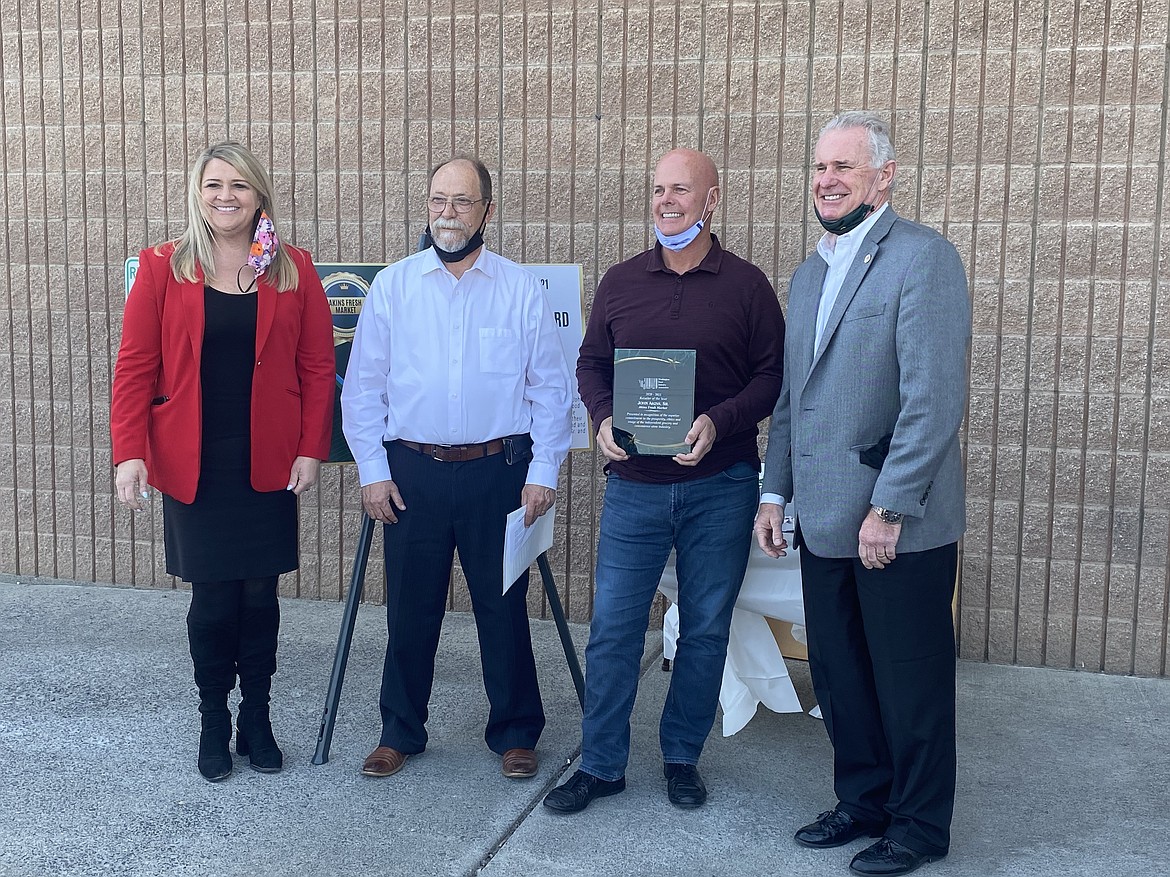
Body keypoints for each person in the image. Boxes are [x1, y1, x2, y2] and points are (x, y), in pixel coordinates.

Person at [755, 111, 972, 876]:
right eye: (819, 168)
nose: (827, 181)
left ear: (884, 176)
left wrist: (890, 505)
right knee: (842, 674)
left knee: (908, 679)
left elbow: (932, 401)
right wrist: (774, 492)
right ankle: (863, 800)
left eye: (843, 167)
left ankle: (917, 825)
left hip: (896, 526)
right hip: (822, 520)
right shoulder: (810, 272)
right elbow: (794, 398)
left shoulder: (923, 259)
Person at [544, 148, 786, 814]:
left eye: (681, 189)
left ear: (712, 200)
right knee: (614, 630)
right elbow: (592, 363)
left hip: (722, 484)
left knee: (705, 628)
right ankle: (600, 764)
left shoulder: (747, 285)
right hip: (633, 487)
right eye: (657, 189)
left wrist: (719, 418)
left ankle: (683, 755)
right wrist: (599, 415)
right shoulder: (623, 282)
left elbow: (772, 377)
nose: (666, 200)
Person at [340, 155, 572, 781]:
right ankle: (400, 731)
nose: (448, 213)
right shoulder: (393, 286)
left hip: (497, 473)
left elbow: (551, 389)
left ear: (486, 211)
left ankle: (516, 731)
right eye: (439, 200)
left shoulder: (521, 289)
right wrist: (371, 471)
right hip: (410, 474)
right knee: (410, 609)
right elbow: (363, 390)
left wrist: (543, 469)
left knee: (503, 605)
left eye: (462, 202)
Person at [110, 141, 335, 782]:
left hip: (264, 462)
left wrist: (311, 449)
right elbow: (135, 368)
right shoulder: (164, 267)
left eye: (238, 185)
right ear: (197, 193)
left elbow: (318, 369)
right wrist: (130, 453)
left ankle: (257, 718)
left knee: (260, 599)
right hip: (194, 464)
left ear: (259, 193)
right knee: (212, 601)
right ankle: (214, 718)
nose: (225, 196)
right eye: (213, 185)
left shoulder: (292, 269)